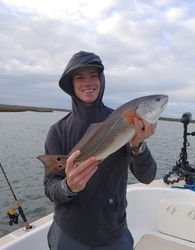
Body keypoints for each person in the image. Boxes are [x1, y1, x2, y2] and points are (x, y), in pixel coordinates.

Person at [43, 51, 157, 250]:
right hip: (68, 233)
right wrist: (68, 187)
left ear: (101, 80)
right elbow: (51, 189)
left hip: (113, 234)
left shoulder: (123, 121)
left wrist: (138, 146)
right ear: (71, 84)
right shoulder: (57, 131)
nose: (88, 83)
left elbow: (147, 177)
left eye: (93, 76)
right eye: (80, 77)